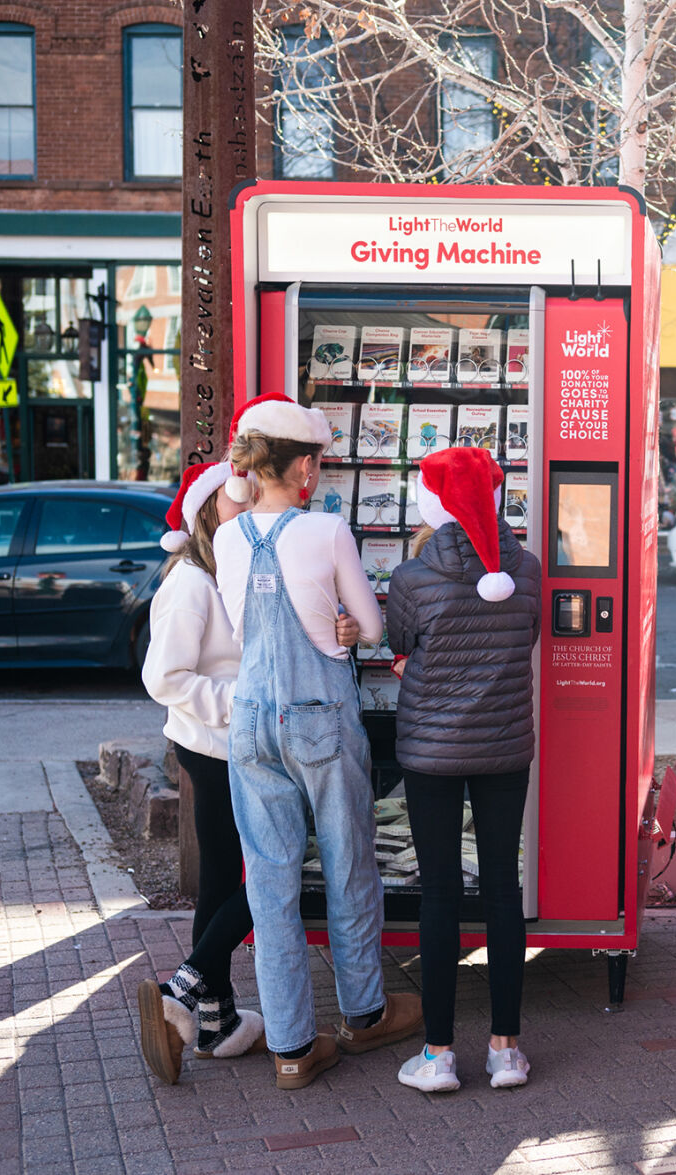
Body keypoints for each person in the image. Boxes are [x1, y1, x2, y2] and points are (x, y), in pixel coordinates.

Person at [212, 393, 418, 1090]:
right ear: (302, 466)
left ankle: (293, 1046)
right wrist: (345, 626)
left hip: (250, 721)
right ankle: (363, 1013)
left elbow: (240, 632)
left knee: (268, 882)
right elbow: (371, 625)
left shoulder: (228, 536)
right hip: (320, 717)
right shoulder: (326, 532)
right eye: (317, 461)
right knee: (348, 862)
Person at [136, 458, 356, 1084]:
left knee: (224, 881)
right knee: (271, 870)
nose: (252, 506)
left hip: (246, 744)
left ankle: (214, 1017)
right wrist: (245, 705)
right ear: (210, 511)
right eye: (239, 499)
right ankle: (184, 992)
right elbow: (164, 678)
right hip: (217, 748)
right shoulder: (191, 583)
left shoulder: (239, 566)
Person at [387, 447, 542, 1094]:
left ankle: (438, 1055)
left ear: (433, 505)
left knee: (440, 893)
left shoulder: (411, 578)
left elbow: (400, 647)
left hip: (430, 752)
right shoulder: (528, 569)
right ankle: (506, 1050)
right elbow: (526, 636)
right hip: (504, 747)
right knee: (503, 888)